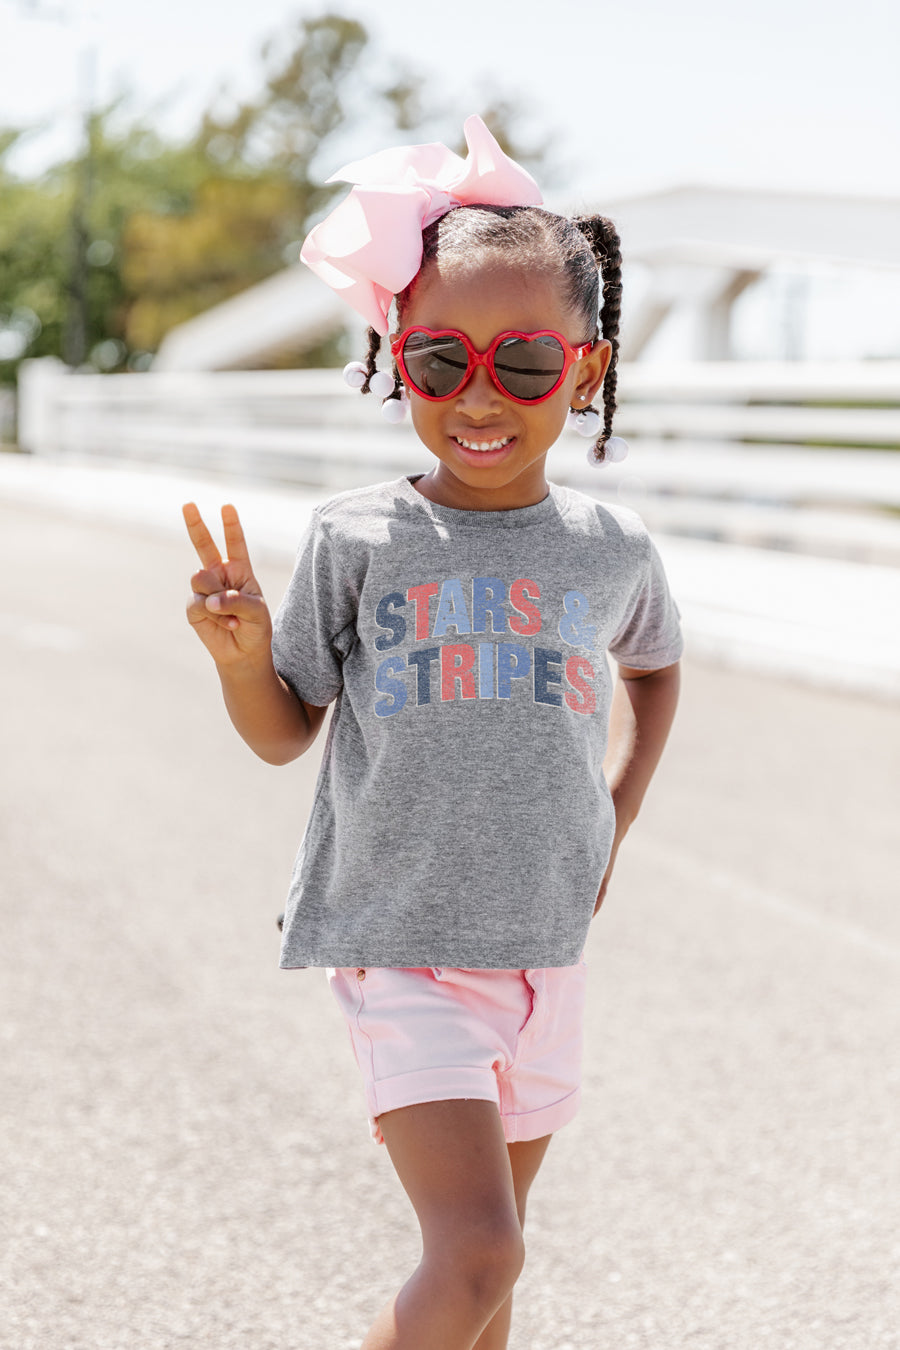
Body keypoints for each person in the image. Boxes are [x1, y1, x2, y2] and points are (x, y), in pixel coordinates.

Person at [183, 116, 683, 1350]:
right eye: (436, 359)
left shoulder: (612, 552)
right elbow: (283, 734)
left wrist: (616, 810)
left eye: (522, 364)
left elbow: (657, 668)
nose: (476, 397)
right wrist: (247, 662)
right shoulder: (359, 541)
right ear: (392, 356)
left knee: (485, 1286)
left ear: (583, 368)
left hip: (543, 947)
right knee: (479, 1250)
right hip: (403, 942)